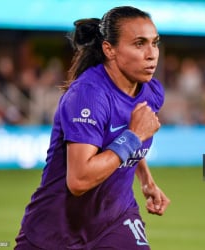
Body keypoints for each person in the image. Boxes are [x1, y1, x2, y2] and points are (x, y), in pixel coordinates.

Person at [15, 6, 170, 249]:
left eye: (155, 43)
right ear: (109, 49)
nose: (152, 54)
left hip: (116, 218)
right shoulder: (88, 95)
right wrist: (134, 135)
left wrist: (146, 180)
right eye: (139, 44)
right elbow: (79, 180)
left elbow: (123, 138)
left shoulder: (151, 91)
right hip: (57, 231)